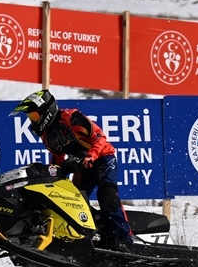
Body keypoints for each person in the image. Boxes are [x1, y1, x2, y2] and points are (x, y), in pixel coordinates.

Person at [11, 90, 133, 250]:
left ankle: (125, 239)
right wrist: (52, 173)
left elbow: (100, 138)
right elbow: (57, 157)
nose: (32, 120)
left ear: (46, 110)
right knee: (75, 199)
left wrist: (90, 156)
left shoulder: (72, 118)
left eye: (34, 115)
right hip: (81, 163)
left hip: (103, 157)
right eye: (30, 117)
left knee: (107, 195)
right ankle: (93, 234)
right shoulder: (46, 134)